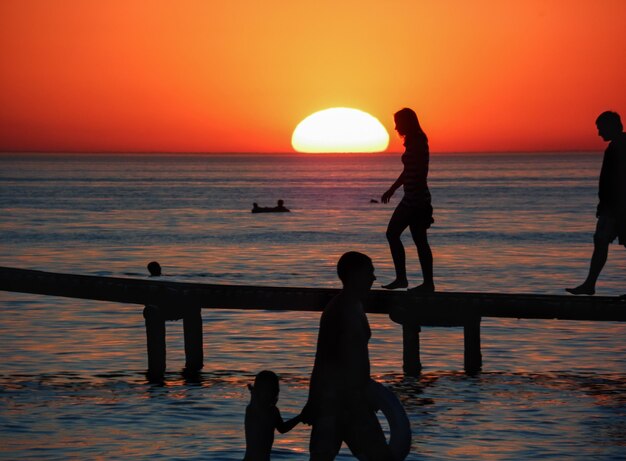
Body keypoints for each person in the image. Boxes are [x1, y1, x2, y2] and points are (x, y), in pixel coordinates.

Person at [301, 252, 393, 460]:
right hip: (340, 402)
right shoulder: (340, 309)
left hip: (348, 400)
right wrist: (313, 401)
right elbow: (324, 358)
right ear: (354, 275)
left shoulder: (352, 306)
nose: (374, 278)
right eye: (370, 272)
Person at [567, 111, 626, 295]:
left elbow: (616, 180)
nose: (599, 133)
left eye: (601, 129)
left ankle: (590, 284)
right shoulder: (616, 146)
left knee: (600, 241)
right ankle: (589, 284)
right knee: (600, 242)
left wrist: (610, 206)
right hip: (613, 207)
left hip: (617, 208)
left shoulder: (620, 146)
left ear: (612, 126)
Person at [381, 108, 435, 292]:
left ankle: (407, 279)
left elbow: (419, 171)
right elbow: (408, 171)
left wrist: (420, 204)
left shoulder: (418, 141)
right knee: (418, 241)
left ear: (407, 122)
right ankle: (420, 282)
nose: (396, 127)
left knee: (393, 234)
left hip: (416, 200)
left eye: (398, 122)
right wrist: (393, 189)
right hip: (413, 198)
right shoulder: (413, 141)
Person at [243, 370, 302, 461]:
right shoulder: (252, 410)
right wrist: (254, 394)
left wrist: (300, 417)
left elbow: (282, 428)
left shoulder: (273, 411)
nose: (268, 394)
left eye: (271, 391)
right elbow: (257, 408)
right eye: (265, 390)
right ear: (258, 391)